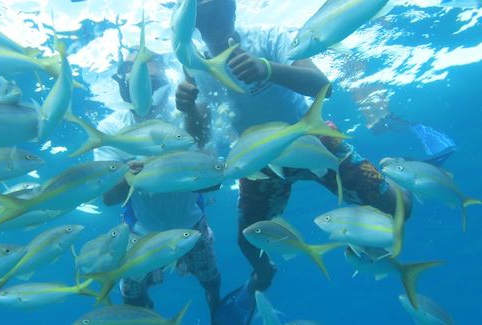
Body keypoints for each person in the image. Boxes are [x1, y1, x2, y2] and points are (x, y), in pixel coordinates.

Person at [174, 0, 413, 323]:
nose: (212, 16)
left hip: (311, 138)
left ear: (233, 8)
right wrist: (188, 110)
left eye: (218, 8)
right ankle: (263, 273)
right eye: (203, 13)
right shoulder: (195, 63)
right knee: (249, 240)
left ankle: (405, 174)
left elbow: (322, 86)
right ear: (194, 23)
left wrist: (267, 68)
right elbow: (201, 136)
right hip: (260, 161)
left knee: (399, 209)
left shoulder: (269, 37)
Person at [96, 48, 221, 322]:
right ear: (120, 82)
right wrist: (130, 176)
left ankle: (217, 308)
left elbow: (213, 182)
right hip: (140, 232)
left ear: (163, 77)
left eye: (147, 76)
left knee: (210, 278)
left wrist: (191, 111)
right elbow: (108, 197)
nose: (137, 78)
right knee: (133, 291)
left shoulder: (186, 113)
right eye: (128, 73)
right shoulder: (110, 129)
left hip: (191, 224)